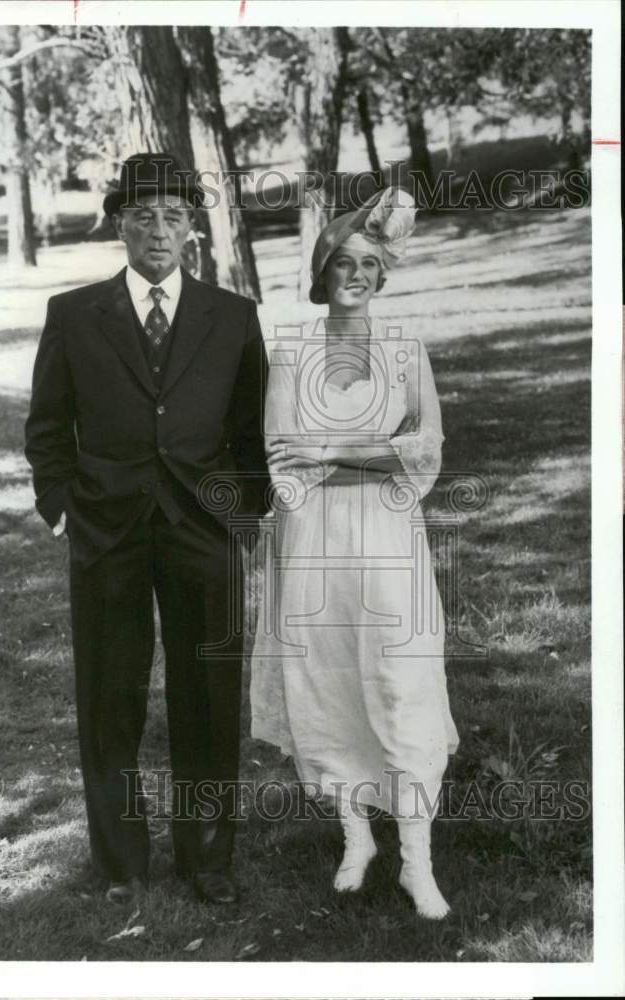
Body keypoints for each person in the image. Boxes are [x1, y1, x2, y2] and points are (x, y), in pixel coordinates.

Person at [25, 153, 269, 906]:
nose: (158, 232)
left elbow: (250, 429)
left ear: (193, 230)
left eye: (173, 217)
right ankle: (121, 861)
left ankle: (206, 859)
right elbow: (46, 425)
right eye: (142, 216)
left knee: (207, 692)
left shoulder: (231, 316)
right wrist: (63, 502)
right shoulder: (74, 313)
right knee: (110, 695)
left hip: (202, 528)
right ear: (117, 226)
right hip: (106, 528)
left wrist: (243, 512)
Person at [250, 187, 459, 919]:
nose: (356, 273)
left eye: (369, 262)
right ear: (322, 269)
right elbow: (282, 461)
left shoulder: (405, 347)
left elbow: (424, 452)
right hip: (312, 540)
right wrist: (373, 454)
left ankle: (416, 861)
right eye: (343, 261)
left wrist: (332, 449)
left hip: (390, 538)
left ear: (383, 273)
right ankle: (356, 838)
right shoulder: (292, 350)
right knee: (327, 681)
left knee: (399, 680)